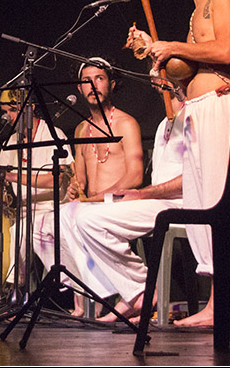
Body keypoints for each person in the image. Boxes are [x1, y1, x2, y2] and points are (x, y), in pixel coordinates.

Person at [125, 0, 230, 326]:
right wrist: (153, 50)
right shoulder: (195, 13)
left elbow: (225, 51)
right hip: (196, 111)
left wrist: (172, 46)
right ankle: (217, 304)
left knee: (222, 202)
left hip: (218, 109)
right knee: (200, 206)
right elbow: (186, 73)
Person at [59, 57, 145, 316]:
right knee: (55, 219)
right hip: (91, 204)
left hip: (118, 202)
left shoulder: (126, 123)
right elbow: (80, 179)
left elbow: (136, 176)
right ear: (79, 88)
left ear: (112, 84)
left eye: (99, 78)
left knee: (79, 217)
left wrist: (99, 196)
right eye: (87, 81)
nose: (93, 85)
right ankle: (88, 294)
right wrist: (75, 187)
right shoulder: (81, 129)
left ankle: (125, 293)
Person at [0, 89, 74, 290]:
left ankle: (14, 289)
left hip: (53, 209)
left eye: (12, 110)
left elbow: (55, 180)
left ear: (30, 108)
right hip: (22, 213)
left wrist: (11, 176)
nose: (8, 117)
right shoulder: (10, 142)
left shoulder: (53, 134)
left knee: (22, 231)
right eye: (5, 112)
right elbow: (3, 182)